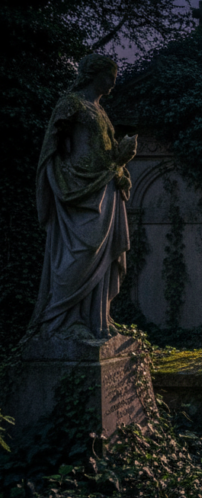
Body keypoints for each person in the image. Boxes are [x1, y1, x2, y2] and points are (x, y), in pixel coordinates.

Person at [27, 54, 137, 342]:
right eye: (109, 76)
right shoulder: (71, 104)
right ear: (93, 74)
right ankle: (61, 320)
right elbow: (53, 149)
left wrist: (121, 157)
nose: (113, 83)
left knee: (104, 255)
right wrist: (63, 180)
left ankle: (97, 318)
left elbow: (106, 153)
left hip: (106, 188)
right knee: (81, 252)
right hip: (78, 190)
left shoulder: (101, 111)